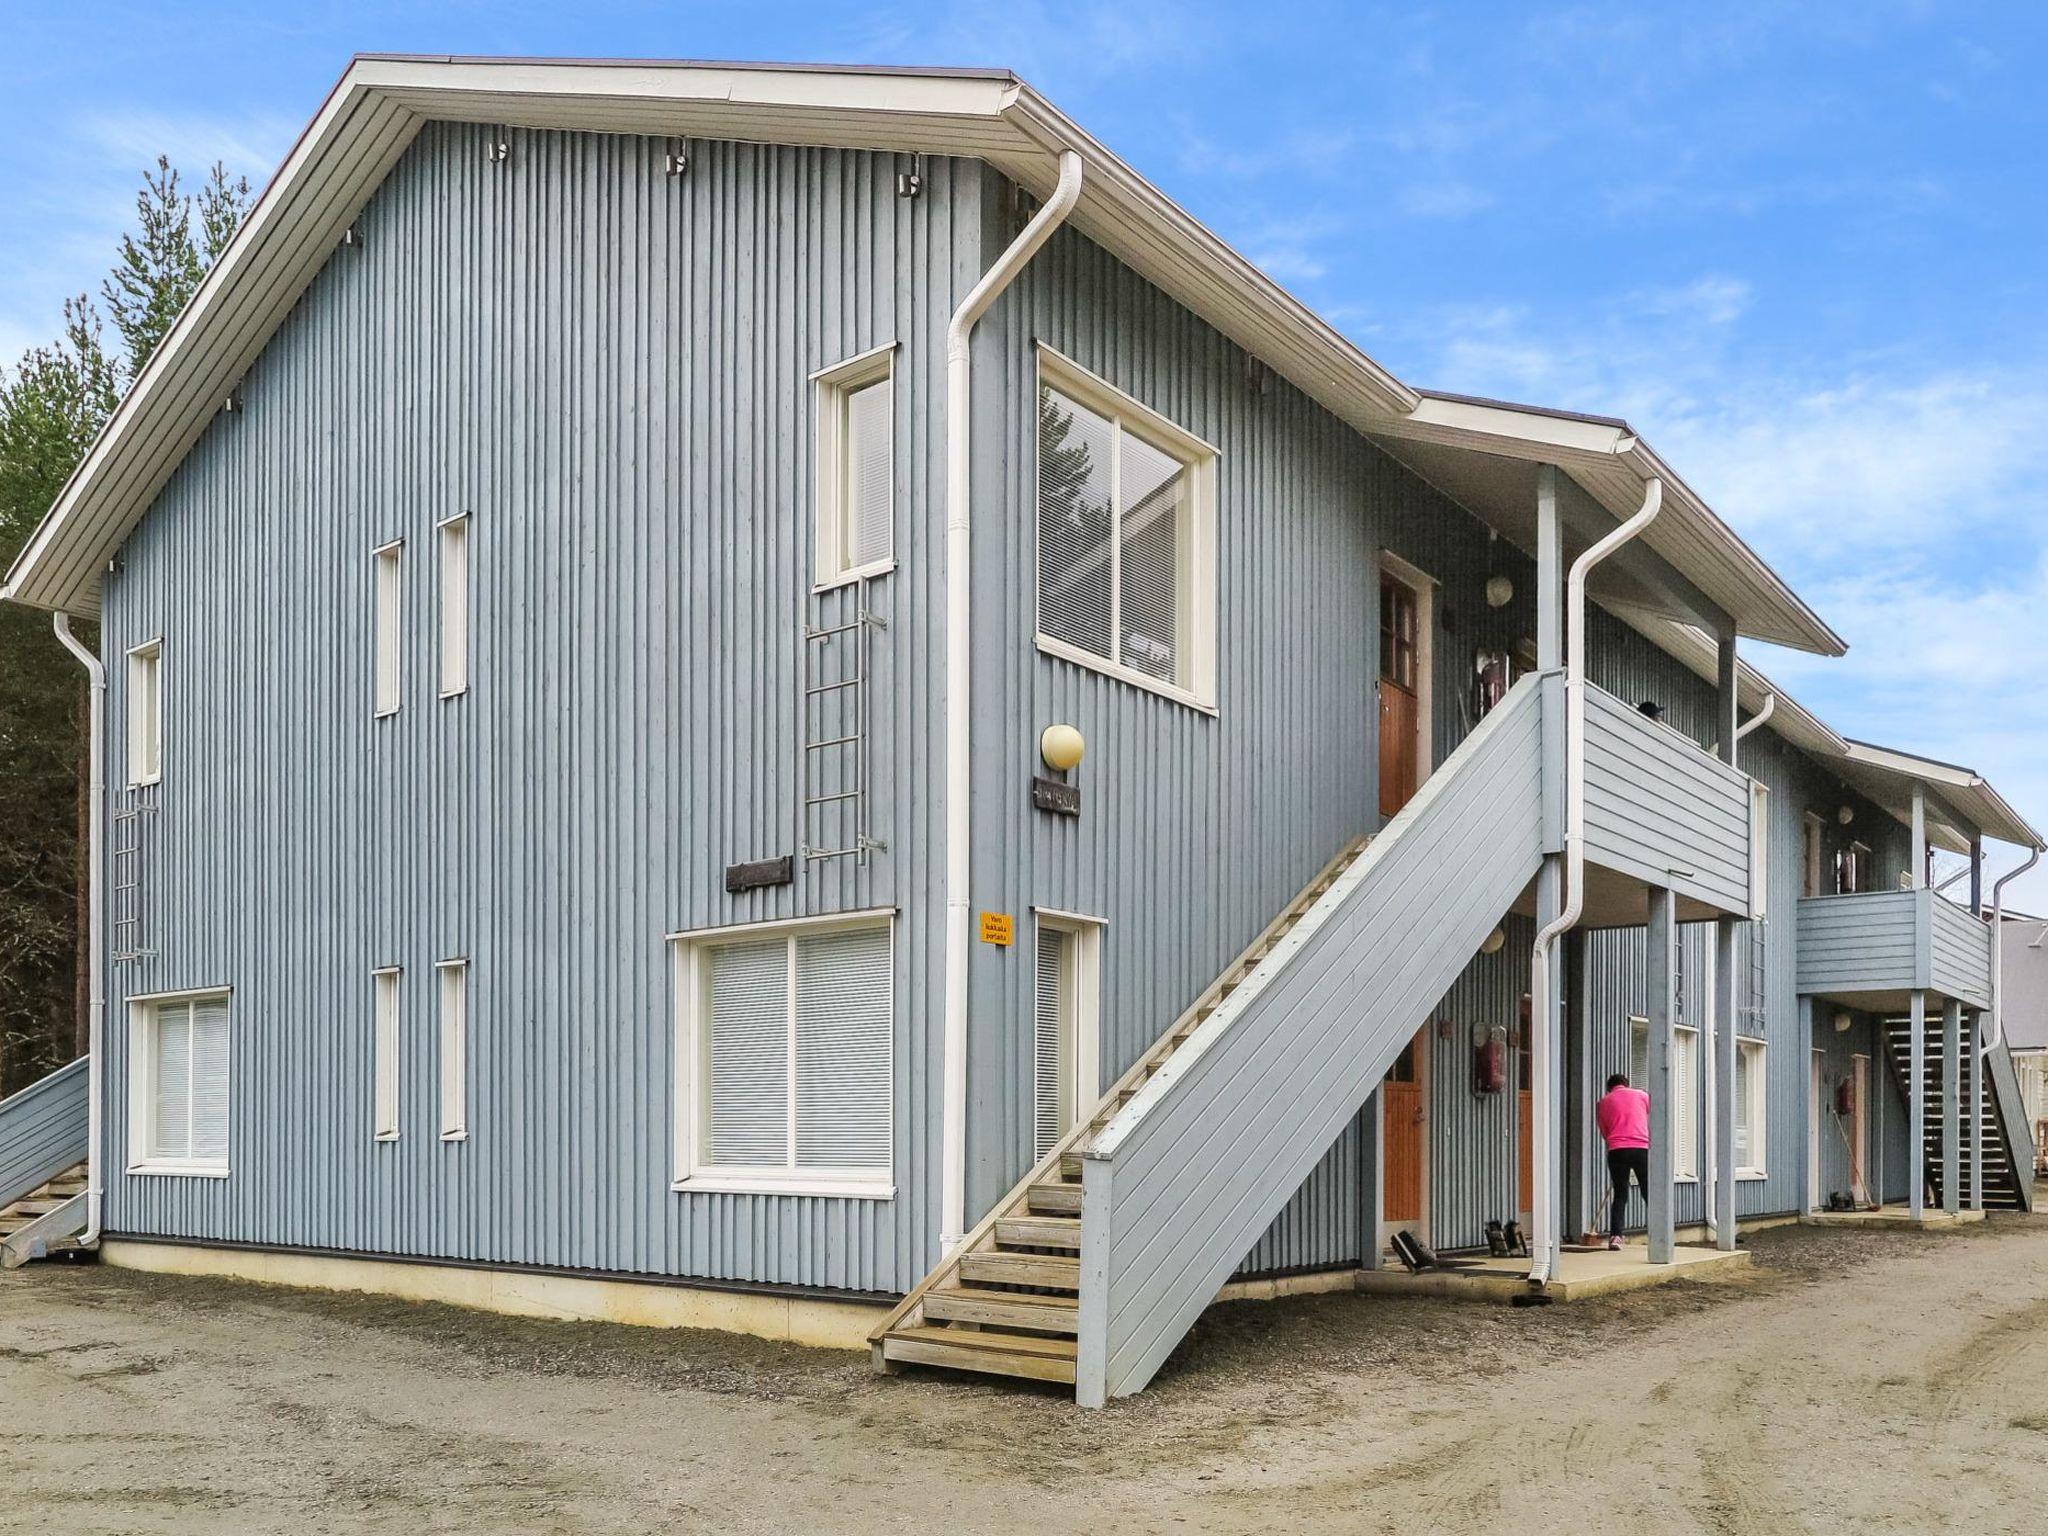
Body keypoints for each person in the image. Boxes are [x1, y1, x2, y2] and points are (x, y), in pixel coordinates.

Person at [1596, 1071, 1651, 1251]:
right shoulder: (1642, 1096)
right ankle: (1660, 1231)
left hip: (1617, 1149)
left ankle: (1616, 1237)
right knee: (1648, 1191)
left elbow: (1604, 1130)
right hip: (1640, 1147)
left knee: (1620, 1194)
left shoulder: (1604, 1102)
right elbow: (1649, 1114)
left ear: (1609, 1087)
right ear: (1626, 1084)